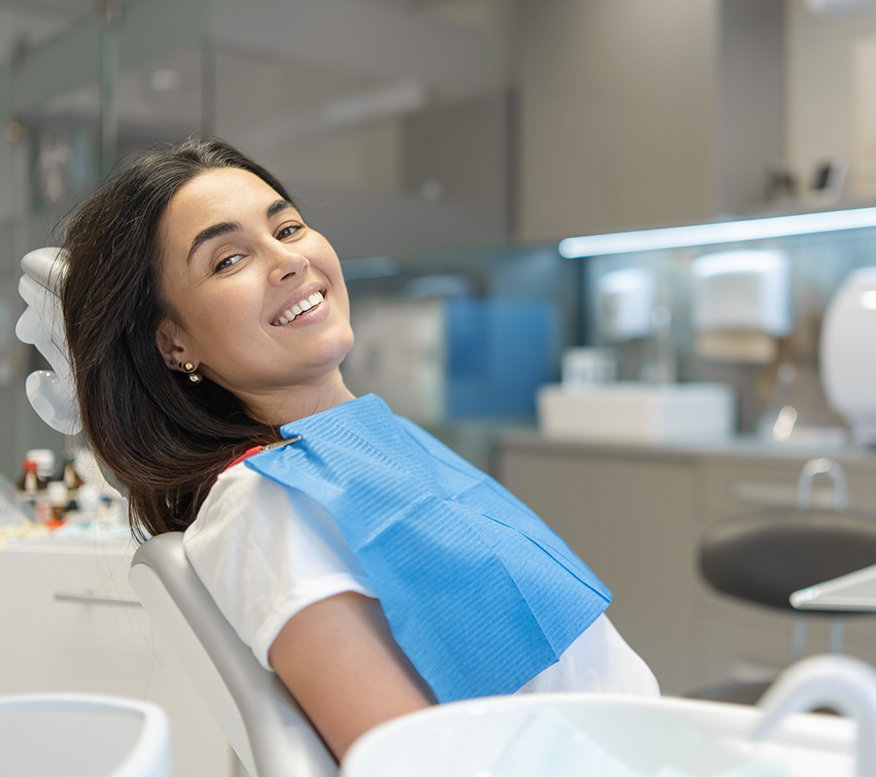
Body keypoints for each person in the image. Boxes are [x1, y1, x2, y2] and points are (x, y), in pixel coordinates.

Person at [59, 137, 659, 760]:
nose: (287, 260)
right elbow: (407, 763)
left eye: (287, 227)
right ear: (174, 343)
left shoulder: (379, 440)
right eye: (228, 260)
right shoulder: (263, 503)